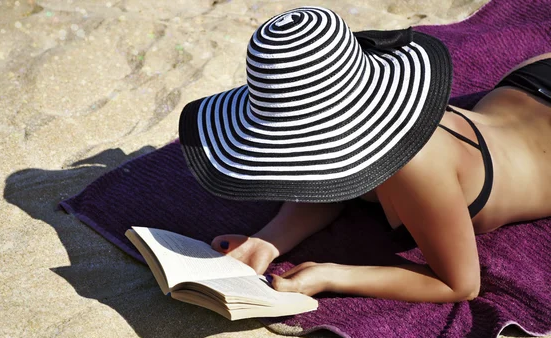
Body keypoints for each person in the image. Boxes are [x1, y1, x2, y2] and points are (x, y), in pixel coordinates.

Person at [178, 6, 551, 303]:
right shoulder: (369, 129)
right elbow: (332, 186)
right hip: (528, 83)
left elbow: (459, 285)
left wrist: (332, 275)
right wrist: (267, 240)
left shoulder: (415, 167)